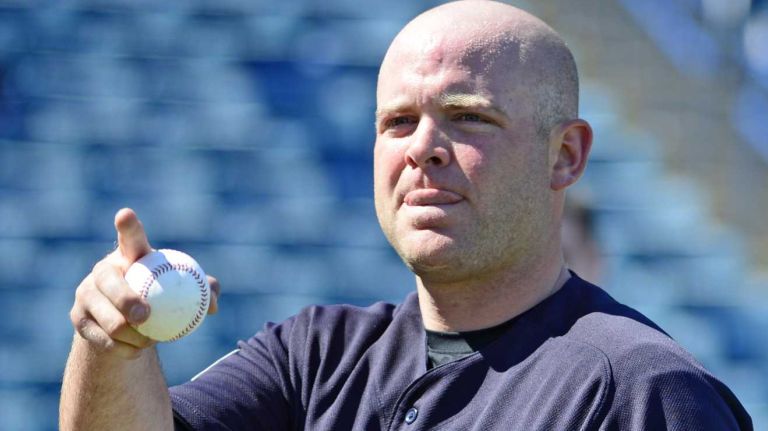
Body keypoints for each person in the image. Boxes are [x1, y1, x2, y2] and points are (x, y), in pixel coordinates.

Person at [59, 1, 753, 429]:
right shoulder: (313, 356)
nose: (423, 148)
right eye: (397, 121)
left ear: (564, 155)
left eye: (467, 117)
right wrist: (110, 347)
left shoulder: (645, 392)